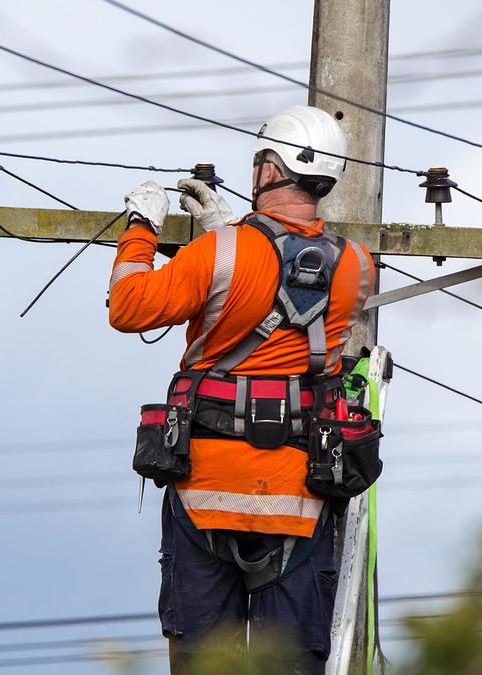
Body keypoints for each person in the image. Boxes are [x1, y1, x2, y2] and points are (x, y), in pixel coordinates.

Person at [109, 106, 380, 674]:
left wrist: (140, 228)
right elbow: (289, 301)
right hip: (299, 501)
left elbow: (129, 306)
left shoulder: (218, 255)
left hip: (205, 494)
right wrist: (226, 235)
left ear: (271, 168)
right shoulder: (357, 265)